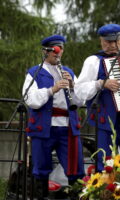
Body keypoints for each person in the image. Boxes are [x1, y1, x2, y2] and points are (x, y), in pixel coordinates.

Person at [22, 34, 85, 199]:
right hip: (43, 127)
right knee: (40, 168)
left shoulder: (68, 72)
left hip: (67, 128)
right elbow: (30, 99)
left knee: (75, 168)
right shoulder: (34, 72)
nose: (58, 53)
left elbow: (79, 102)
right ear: (46, 51)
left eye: (61, 49)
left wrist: (72, 87)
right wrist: (53, 89)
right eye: (55, 50)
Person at [75, 24, 120, 172]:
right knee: (105, 162)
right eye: (108, 42)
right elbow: (79, 91)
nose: (113, 45)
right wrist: (101, 83)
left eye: (116, 41)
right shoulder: (93, 61)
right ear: (101, 41)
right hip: (104, 121)